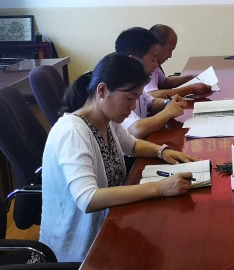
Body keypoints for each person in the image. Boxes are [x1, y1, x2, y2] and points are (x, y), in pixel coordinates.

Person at [40, 53, 201, 262]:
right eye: (129, 98)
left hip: (110, 227)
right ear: (102, 90)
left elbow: (132, 145)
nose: (133, 107)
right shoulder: (73, 132)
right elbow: (87, 198)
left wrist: (162, 151)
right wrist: (160, 188)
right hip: (79, 252)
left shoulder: (107, 119)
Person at [115, 27, 186, 139]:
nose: (156, 65)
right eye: (153, 59)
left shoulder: (136, 83)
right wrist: (168, 112)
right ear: (134, 60)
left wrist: (169, 102)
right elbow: (137, 130)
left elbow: (150, 103)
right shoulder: (118, 89)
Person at [145, 24, 212, 99]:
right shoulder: (145, 64)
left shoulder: (154, 62)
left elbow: (164, 82)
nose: (170, 56)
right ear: (157, 45)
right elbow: (152, 95)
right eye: (169, 50)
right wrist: (191, 89)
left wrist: (192, 77)